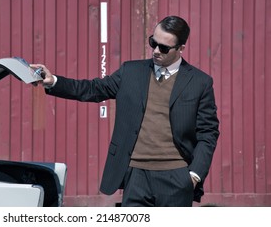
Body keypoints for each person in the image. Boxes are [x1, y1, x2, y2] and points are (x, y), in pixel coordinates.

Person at [30, 15, 220, 207]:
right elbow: (93, 89)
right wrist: (53, 81)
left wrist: (193, 176)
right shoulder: (130, 72)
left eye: (163, 48)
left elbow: (208, 132)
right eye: (153, 42)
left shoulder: (200, 82)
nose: (155, 51)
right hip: (135, 175)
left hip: (176, 177)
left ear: (180, 49)